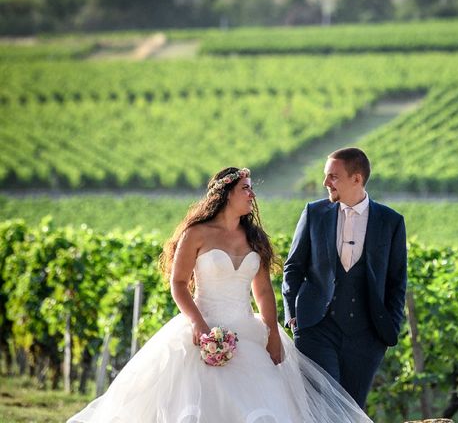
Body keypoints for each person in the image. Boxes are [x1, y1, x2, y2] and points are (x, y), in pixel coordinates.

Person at [68, 167, 371, 423]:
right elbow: (178, 283)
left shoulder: (254, 237)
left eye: (251, 189)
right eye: (246, 189)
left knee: (263, 411)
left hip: (247, 332)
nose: (252, 195)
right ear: (227, 194)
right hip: (202, 326)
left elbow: (263, 289)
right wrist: (199, 325)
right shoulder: (196, 234)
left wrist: (272, 332)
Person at [282, 147, 407, 409]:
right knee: (322, 406)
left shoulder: (390, 221)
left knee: (352, 408)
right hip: (315, 328)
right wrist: (292, 314)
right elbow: (293, 267)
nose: (325, 182)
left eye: (333, 176)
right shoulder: (314, 213)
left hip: (367, 336)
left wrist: (390, 327)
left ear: (357, 179)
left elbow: (397, 282)